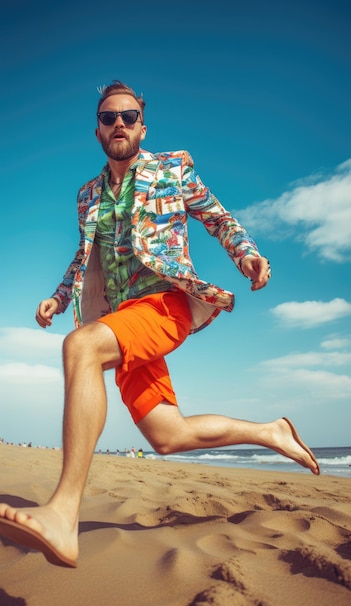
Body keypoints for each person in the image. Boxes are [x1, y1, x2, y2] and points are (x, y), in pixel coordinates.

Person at [0, 80, 320, 569]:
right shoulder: (88, 195)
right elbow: (86, 257)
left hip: (164, 304)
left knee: (81, 348)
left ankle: (63, 514)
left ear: (142, 126)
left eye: (129, 116)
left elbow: (218, 218)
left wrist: (249, 256)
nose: (120, 124)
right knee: (167, 436)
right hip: (119, 319)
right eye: (109, 118)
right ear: (98, 131)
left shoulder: (172, 169)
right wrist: (59, 297)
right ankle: (271, 432)